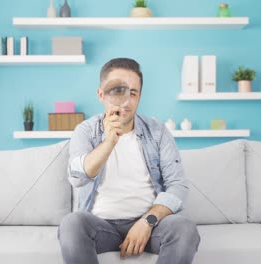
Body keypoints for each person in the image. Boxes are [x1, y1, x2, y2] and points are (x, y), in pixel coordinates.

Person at [58, 58, 200, 264]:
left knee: (185, 229)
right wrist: (109, 142)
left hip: (150, 226)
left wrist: (148, 221)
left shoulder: (158, 132)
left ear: (139, 96)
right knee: (71, 224)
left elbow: (177, 186)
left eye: (132, 93)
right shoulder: (86, 131)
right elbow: (77, 178)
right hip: (100, 226)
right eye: (117, 90)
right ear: (101, 94)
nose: (125, 101)